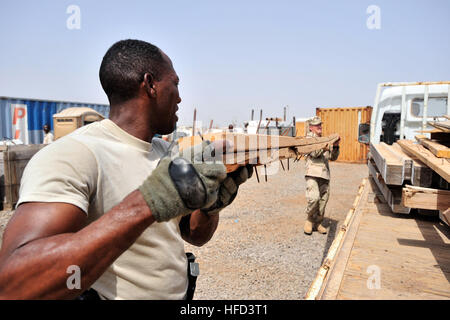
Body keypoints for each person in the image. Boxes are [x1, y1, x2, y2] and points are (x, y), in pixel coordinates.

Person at [0, 39, 252, 300]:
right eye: (175, 84)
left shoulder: (167, 153)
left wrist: (210, 208)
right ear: (150, 84)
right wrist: (148, 202)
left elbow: (194, 235)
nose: (179, 97)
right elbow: (14, 285)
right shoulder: (75, 154)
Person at [303, 116, 340, 235]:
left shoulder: (324, 140)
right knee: (314, 198)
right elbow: (314, 153)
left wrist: (335, 146)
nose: (320, 127)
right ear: (311, 127)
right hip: (312, 173)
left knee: (323, 201)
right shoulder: (309, 139)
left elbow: (332, 157)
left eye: (320, 125)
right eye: (317, 125)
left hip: (325, 174)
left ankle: (318, 222)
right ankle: (309, 219)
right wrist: (325, 144)